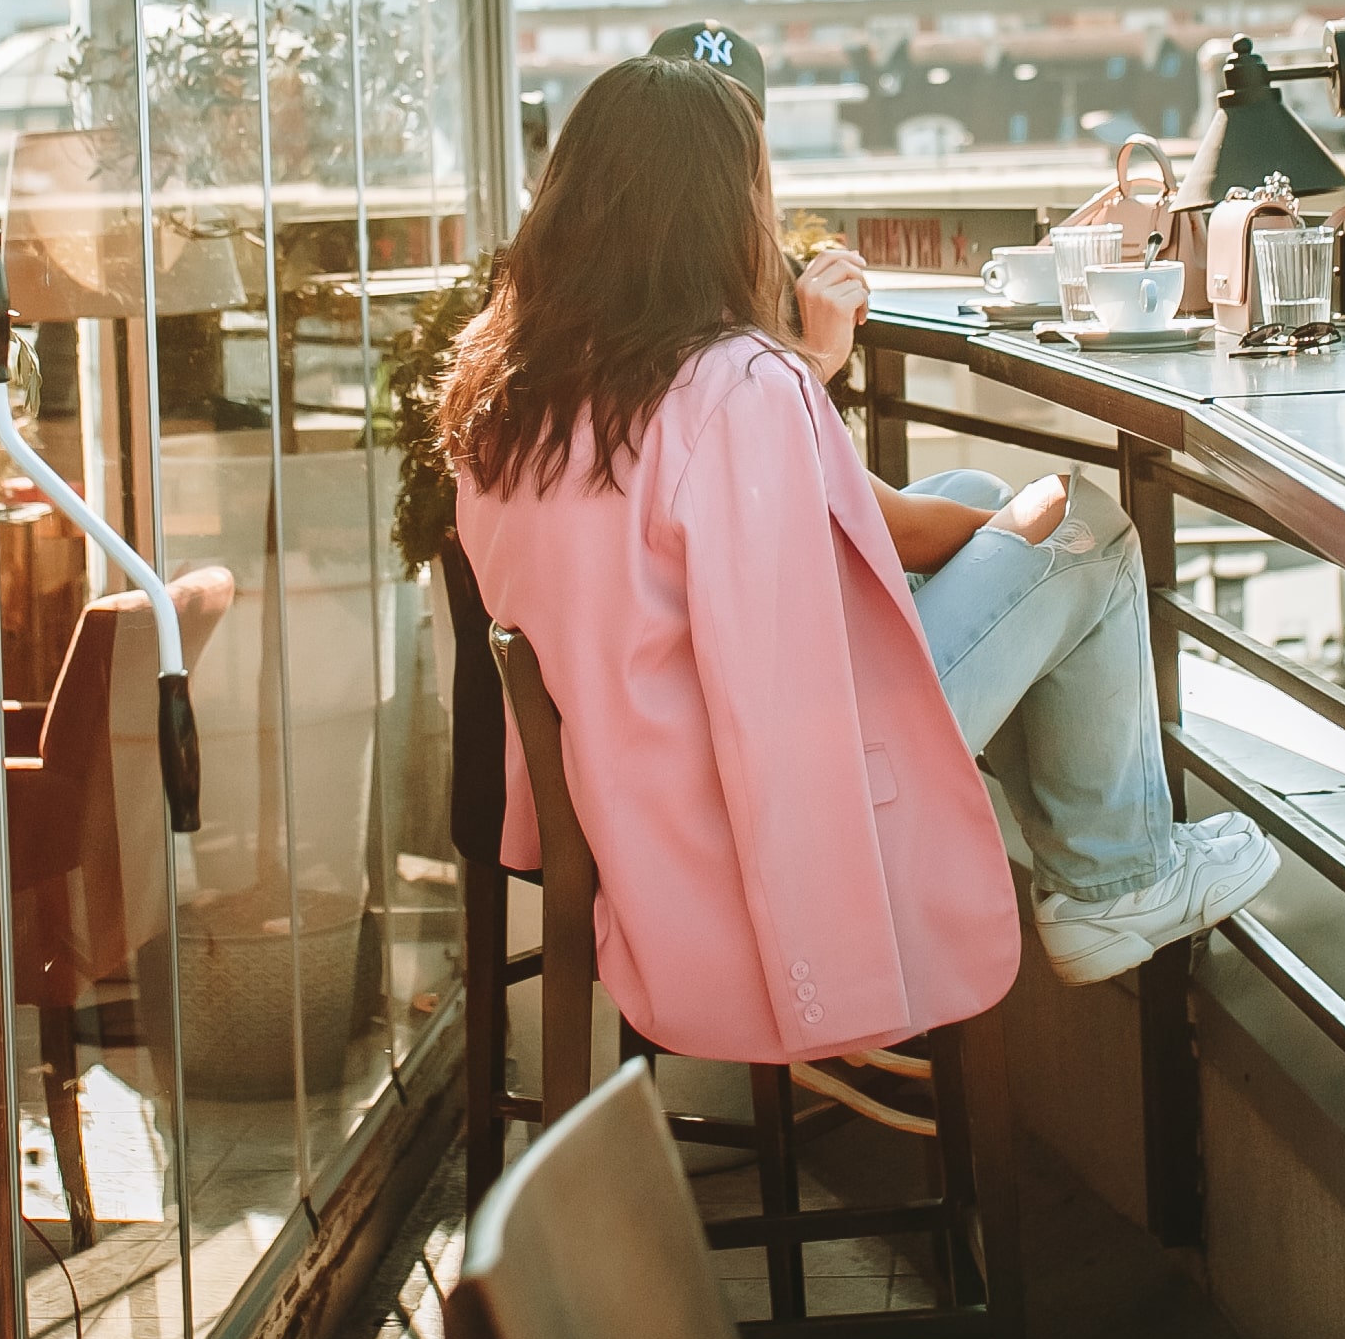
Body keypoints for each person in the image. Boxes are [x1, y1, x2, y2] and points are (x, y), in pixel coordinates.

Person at [440, 54, 1269, 1068]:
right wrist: (810, 374)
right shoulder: (737, 388)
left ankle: (1101, 870)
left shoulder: (510, 381)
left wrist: (974, 523)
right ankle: (1113, 880)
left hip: (634, 790)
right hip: (735, 825)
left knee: (968, 500)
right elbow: (779, 676)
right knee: (1086, 526)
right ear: (724, 209)